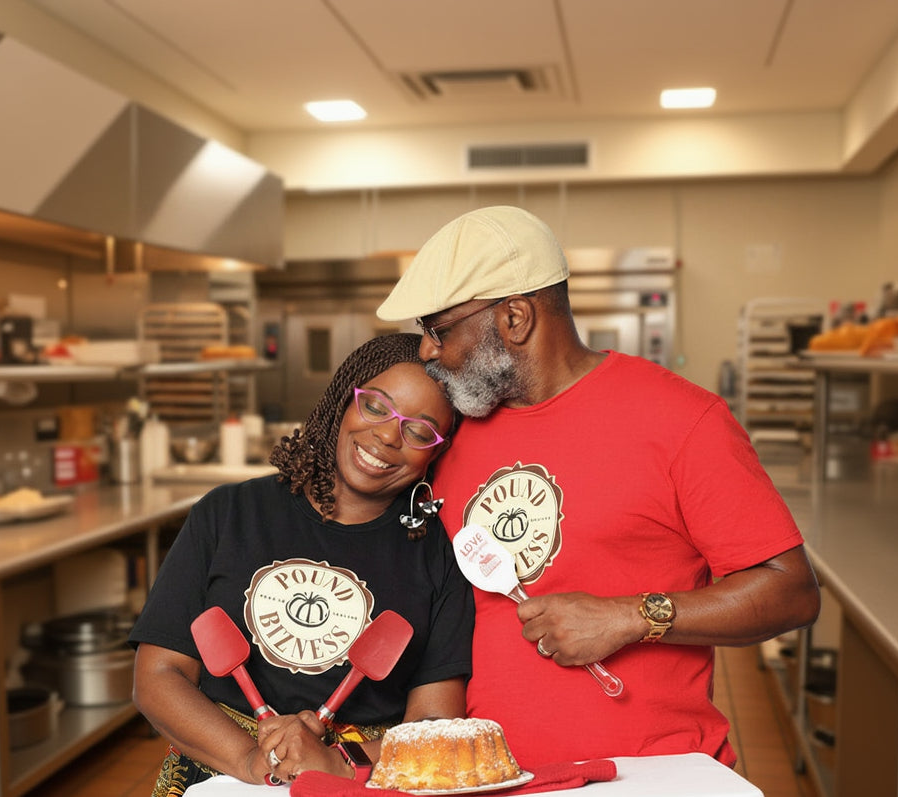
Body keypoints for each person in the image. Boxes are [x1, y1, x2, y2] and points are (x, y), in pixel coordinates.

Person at [376, 206, 821, 770]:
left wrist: (630, 616)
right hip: (487, 775)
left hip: (648, 774)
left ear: (515, 318)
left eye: (438, 331)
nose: (427, 352)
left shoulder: (683, 420)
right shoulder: (452, 431)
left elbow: (792, 592)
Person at [129, 333, 474, 794]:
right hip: (220, 771)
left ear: (438, 449)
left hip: (359, 777)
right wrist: (251, 760)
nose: (388, 436)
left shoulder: (438, 553)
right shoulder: (228, 513)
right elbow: (158, 678)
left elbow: (434, 724)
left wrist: (337, 761)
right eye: (375, 406)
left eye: (418, 430)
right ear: (344, 398)